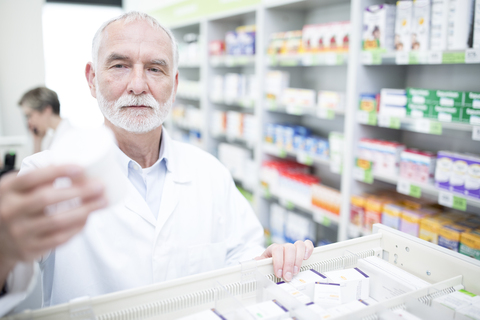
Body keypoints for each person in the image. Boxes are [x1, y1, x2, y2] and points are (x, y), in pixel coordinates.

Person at [0, 12, 314, 315]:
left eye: (155, 69)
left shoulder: (210, 173)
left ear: (174, 85)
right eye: (120, 65)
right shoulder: (46, 176)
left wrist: (268, 262)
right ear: (92, 80)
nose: (138, 85)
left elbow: (243, 256)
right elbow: (10, 273)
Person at [18, 87, 73, 153]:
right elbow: (36, 161)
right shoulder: (50, 139)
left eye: (29, 115)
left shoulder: (69, 138)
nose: (29, 122)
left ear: (47, 110)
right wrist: (37, 140)